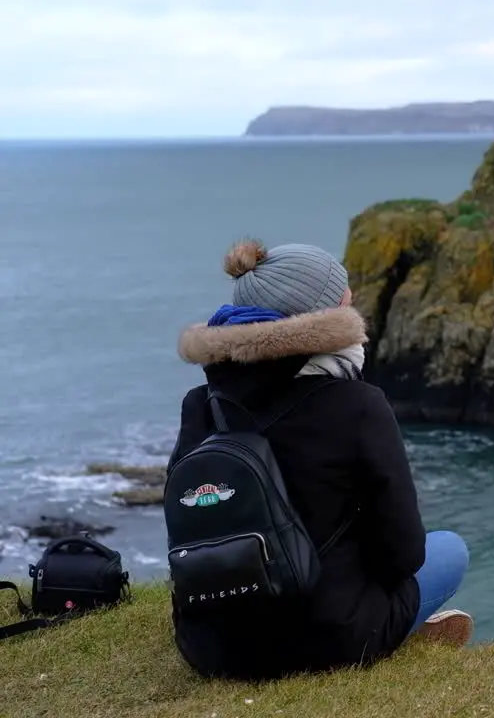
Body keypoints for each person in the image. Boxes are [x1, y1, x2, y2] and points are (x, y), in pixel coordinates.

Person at [166, 238, 472, 680]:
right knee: (450, 550)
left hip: (213, 647)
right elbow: (404, 555)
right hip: (330, 638)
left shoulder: (201, 404)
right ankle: (403, 634)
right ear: (325, 316)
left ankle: (401, 631)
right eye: (346, 298)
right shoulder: (358, 404)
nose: (354, 306)